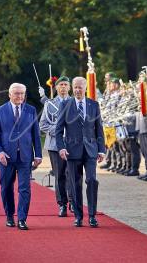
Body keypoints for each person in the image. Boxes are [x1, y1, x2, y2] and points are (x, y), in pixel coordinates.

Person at [0, 83, 42, 231]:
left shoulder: (31, 110)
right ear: (9, 94)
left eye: (22, 93)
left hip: (25, 157)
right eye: (16, 93)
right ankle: (9, 216)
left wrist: (38, 154)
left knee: (25, 188)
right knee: (6, 187)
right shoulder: (0, 111)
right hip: (6, 157)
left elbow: (35, 135)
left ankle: (22, 219)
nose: (20, 96)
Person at [55, 77, 106, 227]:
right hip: (72, 151)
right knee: (75, 183)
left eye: (80, 87)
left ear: (85, 88)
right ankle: (78, 216)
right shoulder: (65, 105)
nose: (77, 90)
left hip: (90, 150)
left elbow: (99, 129)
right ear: (72, 88)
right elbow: (58, 131)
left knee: (91, 180)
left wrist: (101, 149)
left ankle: (92, 215)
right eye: (75, 87)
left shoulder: (93, 105)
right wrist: (61, 147)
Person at [39, 76, 73, 217]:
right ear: (56, 88)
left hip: (72, 144)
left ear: (69, 87)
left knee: (72, 174)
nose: (63, 87)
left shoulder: (74, 103)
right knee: (59, 175)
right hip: (55, 145)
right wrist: (59, 130)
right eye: (61, 85)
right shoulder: (50, 104)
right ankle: (62, 204)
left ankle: (73, 201)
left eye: (66, 84)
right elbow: (43, 124)